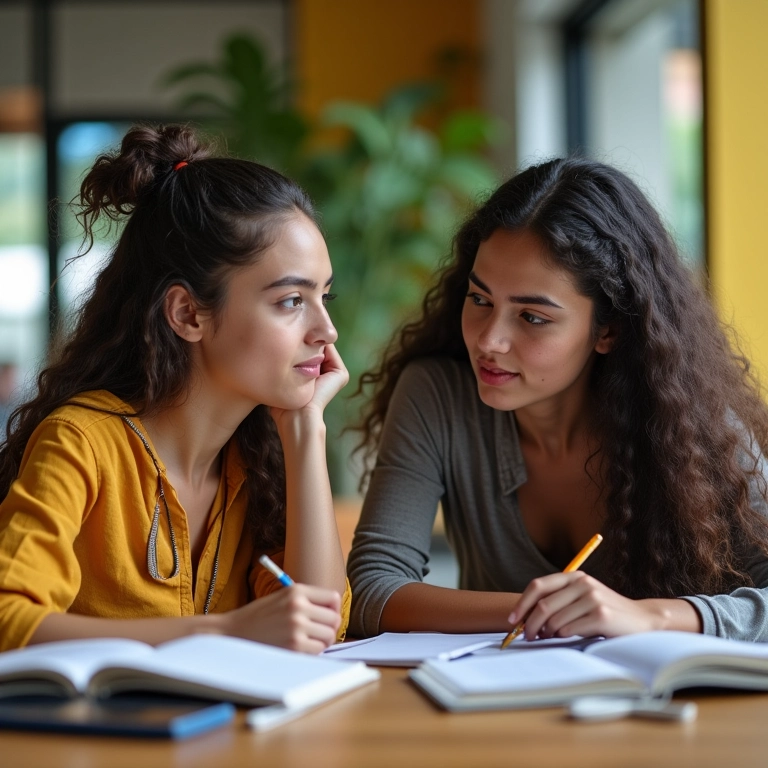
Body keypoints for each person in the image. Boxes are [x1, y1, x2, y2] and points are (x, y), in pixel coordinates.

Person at [347, 156, 768, 642]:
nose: (489, 341)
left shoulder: (694, 423)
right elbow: (372, 591)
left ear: (608, 330)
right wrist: (544, 611)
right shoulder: (437, 398)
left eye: (532, 317)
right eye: (480, 300)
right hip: (497, 707)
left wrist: (651, 617)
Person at [0, 124, 349, 654]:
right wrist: (224, 631)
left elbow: (319, 627)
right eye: (290, 301)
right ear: (188, 314)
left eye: (324, 295)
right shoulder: (81, 442)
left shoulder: (256, 459)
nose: (327, 331)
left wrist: (304, 430)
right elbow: (8, 618)